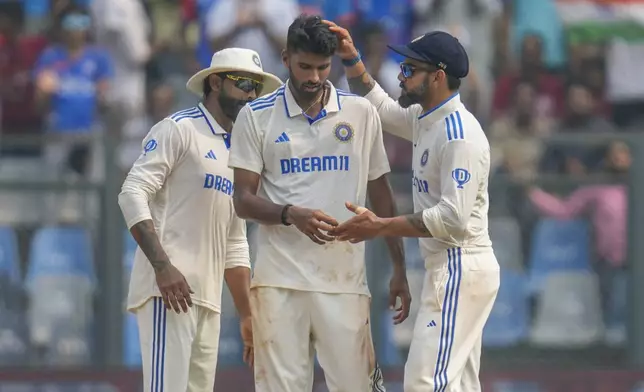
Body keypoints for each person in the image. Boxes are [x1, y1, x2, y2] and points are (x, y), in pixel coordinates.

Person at [228, 15, 411, 392]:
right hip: (279, 283)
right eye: (305, 67)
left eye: (322, 67)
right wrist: (289, 214)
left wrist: (399, 267)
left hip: (343, 281)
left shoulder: (360, 113)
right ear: (285, 57)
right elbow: (243, 200)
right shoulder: (256, 116)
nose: (313, 77)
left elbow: (381, 194)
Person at [325, 21, 500, 392]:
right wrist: (352, 59)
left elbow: (452, 220)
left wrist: (380, 226)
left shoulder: (458, 136)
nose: (401, 77)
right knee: (456, 385)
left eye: (409, 70)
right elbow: (381, 108)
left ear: (437, 76)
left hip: (460, 264)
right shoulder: (426, 119)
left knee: (424, 382)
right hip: (450, 267)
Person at [117, 48, 282, 392]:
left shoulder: (240, 151)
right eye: (243, 83)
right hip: (168, 292)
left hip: (208, 300)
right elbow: (131, 193)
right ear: (216, 82)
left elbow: (234, 241)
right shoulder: (178, 129)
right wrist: (163, 267)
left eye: (256, 87)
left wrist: (248, 313)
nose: (251, 94)